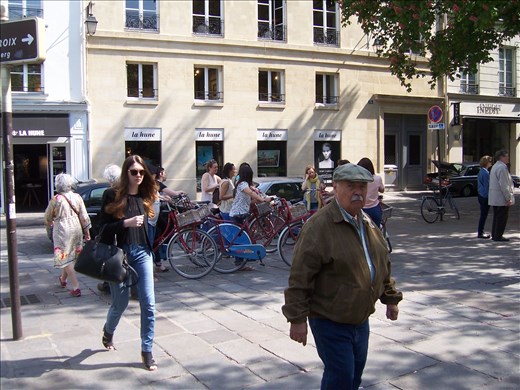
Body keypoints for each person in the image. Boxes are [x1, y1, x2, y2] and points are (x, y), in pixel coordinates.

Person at [282, 163, 402, 390]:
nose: (358, 191)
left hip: (359, 319)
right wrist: (297, 319)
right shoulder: (319, 226)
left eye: (362, 186)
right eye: (350, 186)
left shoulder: (367, 222)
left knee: (354, 375)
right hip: (330, 320)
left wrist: (390, 298)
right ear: (335, 188)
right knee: (341, 377)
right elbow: (300, 276)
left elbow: (380, 263)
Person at [98, 155, 159, 371]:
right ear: (126, 173)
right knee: (120, 303)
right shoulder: (112, 196)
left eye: (142, 172)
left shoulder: (145, 195)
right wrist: (126, 223)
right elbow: (102, 230)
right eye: (134, 172)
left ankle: (147, 350)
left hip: (142, 253)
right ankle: (108, 331)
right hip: (119, 256)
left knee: (149, 304)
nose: (139, 176)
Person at [44, 173, 91, 297]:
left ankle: (76, 287)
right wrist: (87, 232)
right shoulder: (77, 197)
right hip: (76, 228)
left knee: (64, 256)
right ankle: (63, 279)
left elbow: (48, 217)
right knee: (71, 255)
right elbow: (84, 216)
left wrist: (49, 226)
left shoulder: (56, 199)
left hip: (62, 229)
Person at [489, 150, 515, 242]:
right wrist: (508, 198)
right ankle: (498, 235)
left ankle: (495, 234)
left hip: (495, 197)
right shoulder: (501, 168)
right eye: (507, 156)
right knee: (501, 217)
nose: (508, 158)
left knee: (497, 216)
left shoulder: (495, 166)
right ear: (502, 157)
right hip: (501, 198)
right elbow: (504, 185)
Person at [357, 157, 384, 228]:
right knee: (376, 231)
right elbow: (382, 190)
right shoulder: (377, 178)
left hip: (361, 209)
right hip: (374, 208)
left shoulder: (358, 180)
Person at [477, 155, 493, 239]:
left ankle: (480, 232)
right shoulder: (486, 173)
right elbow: (487, 186)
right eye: (490, 161)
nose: (491, 163)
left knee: (483, 215)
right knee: (484, 215)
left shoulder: (481, 171)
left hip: (481, 195)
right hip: (485, 196)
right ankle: (480, 232)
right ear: (487, 163)